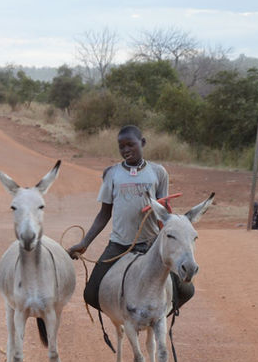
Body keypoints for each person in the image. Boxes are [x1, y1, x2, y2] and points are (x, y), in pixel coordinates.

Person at [67, 124, 193, 313]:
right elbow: (104, 213)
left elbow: (164, 210)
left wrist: (165, 234)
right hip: (119, 244)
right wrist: (85, 242)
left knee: (185, 289)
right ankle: (125, 317)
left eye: (130, 145)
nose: (126, 150)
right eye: (121, 146)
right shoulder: (112, 174)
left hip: (151, 244)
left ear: (142, 143)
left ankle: (161, 315)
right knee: (91, 293)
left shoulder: (158, 172)